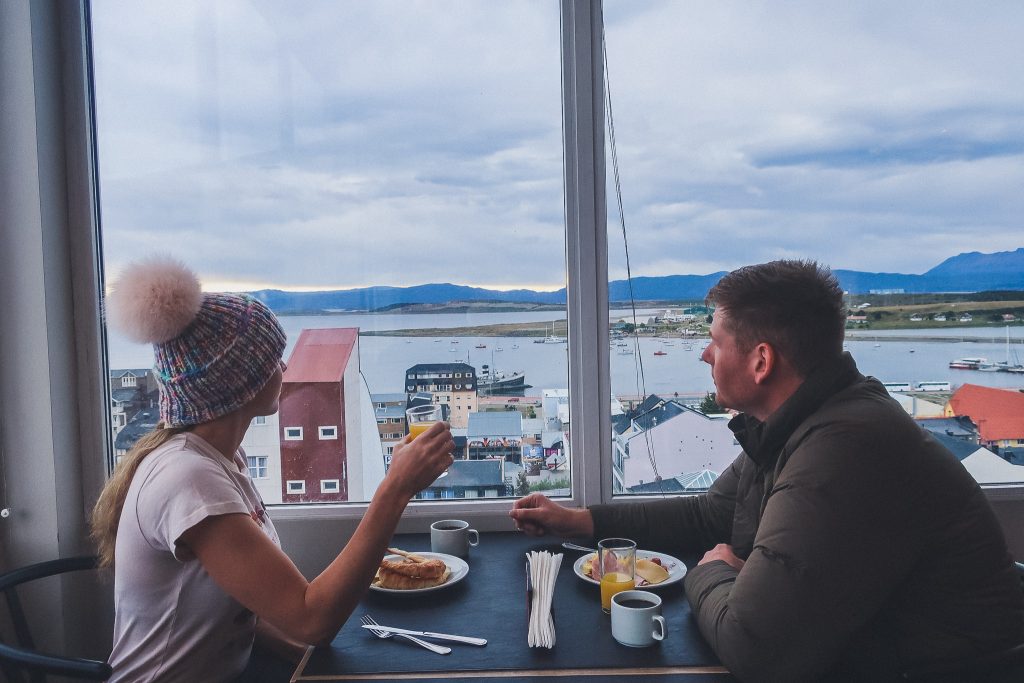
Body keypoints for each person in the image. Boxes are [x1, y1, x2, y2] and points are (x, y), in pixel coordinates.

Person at [511, 260, 1024, 681]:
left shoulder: (845, 448)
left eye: (715, 339)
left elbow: (754, 648)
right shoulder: (799, 422)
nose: (704, 354)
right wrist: (577, 521)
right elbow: (709, 514)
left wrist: (711, 571)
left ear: (761, 362)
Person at [91, 256, 454, 683]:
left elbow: (248, 612)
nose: (282, 369)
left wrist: (318, 663)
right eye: (271, 361)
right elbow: (309, 618)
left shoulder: (222, 459)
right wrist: (395, 489)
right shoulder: (189, 479)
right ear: (237, 382)